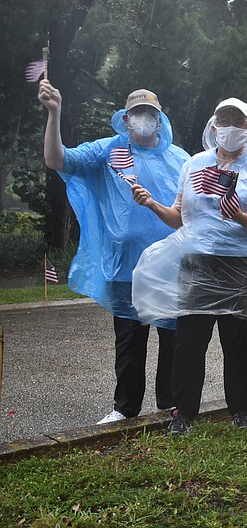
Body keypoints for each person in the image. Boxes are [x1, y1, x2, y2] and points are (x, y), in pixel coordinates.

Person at [131, 98, 247, 435]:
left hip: (242, 269)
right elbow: (178, 217)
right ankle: (183, 413)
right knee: (189, 343)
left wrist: (241, 216)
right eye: (224, 120)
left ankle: (240, 411)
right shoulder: (195, 165)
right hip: (197, 265)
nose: (230, 127)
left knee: (237, 344)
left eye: (238, 121)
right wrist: (153, 204)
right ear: (214, 127)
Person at [38, 80, 189, 425]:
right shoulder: (108, 151)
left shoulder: (179, 158)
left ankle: (169, 402)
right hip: (126, 269)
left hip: (172, 268)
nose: (143, 119)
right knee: (130, 342)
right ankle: (125, 408)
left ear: (159, 119)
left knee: (173, 339)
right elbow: (56, 159)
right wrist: (54, 112)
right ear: (125, 119)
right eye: (137, 113)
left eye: (150, 113)